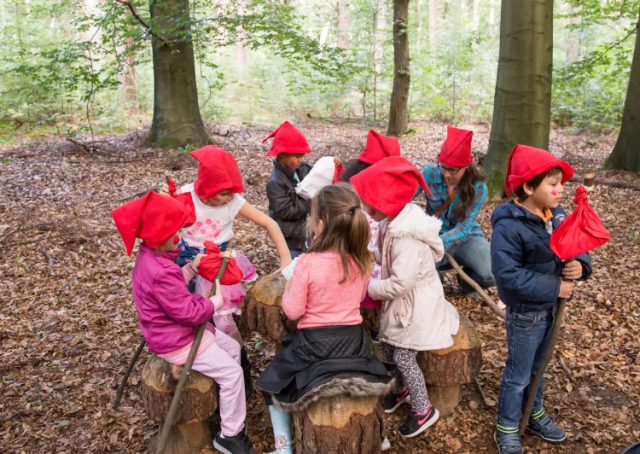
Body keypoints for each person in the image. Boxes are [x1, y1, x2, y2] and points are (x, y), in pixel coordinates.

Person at [111, 191, 257, 454]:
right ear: (157, 237)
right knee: (233, 374)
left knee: (234, 350)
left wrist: (190, 268)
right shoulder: (160, 271)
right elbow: (188, 312)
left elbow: (171, 289)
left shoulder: (153, 259)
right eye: (173, 235)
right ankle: (229, 436)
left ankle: (225, 408)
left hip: (178, 332)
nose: (179, 238)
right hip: (177, 341)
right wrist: (215, 301)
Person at [257, 184, 392, 454]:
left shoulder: (308, 262)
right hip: (354, 342)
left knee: (270, 383)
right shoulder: (361, 259)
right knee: (367, 382)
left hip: (315, 346)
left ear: (320, 224)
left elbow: (293, 311)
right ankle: (380, 436)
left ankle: (283, 446)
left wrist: (289, 294)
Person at [164, 145, 292, 395]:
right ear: (207, 189)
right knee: (188, 314)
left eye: (232, 192)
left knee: (224, 320)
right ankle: (191, 359)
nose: (229, 197)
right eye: (223, 193)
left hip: (221, 265)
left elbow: (268, 222)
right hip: (189, 263)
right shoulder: (184, 196)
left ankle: (239, 371)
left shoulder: (233, 201)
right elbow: (164, 229)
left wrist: (286, 258)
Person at [491, 144, 592, 454]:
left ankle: (533, 413)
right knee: (519, 374)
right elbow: (508, 277)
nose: (560, 189)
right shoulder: (508, 227)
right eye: (553, 183)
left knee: (539, 367)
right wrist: (555, 287)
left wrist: (581, 265)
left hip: (549, 310)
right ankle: (507, 426)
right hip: (525, 314)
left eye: (561, 183)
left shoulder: (555, 215)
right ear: (528, 186)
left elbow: (575, 243)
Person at [351, 156, 460, 438]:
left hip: (417, 310)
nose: (365, 208)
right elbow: (382, 254)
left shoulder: (406, 238)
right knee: (388, 347)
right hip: (405, 306)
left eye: (369, 203)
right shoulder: (393, 224)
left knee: (403, 355)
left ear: (385, 203)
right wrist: (365, 257)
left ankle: (423, 409)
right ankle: (401, 391)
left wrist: (366, 287)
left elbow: (399, 283)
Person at [418, 126, 495, 296]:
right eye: (443, 167)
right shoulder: (430, 173)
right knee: (419, 268)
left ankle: (467, 279)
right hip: (432, 233)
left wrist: (438, 243)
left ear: (467, 165)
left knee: (491, 272)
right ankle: (436, 277)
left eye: (453, 169)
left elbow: (463, 228)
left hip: (464, 237)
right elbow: (405, 196)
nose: (446, 173)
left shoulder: (478, 187)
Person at [263, 121, 313, 258]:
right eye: (297, 156)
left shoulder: (302, 169)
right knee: (293, 264)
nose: (301, 160)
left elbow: (317, 174)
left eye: (302, 156)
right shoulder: (275, 183)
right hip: (290, 237)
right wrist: (311, 202)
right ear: (283, 155)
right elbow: (287, 211)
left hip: (305, 232)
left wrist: (332, 162)